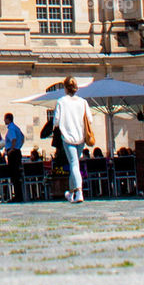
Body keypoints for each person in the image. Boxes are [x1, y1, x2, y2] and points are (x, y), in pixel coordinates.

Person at [52, 76, 94, 204]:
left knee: (74, 164)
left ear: (65, 88)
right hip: (81, 136)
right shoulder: (83, 102)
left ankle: (79, 191)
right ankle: (71, 193)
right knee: (74, 164)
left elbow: (56, 121)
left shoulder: (61, 101)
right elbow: (90, 119)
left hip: (68, 137)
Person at [3, 112, 25, 203]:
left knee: (14, 175)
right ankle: (19, 195)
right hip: (17, 152)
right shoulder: (16, 127)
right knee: (17, 175)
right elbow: (22, 137)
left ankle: (17, 196)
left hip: (13, 153)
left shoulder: (11, 128)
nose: (4, 120)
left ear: (8, 119)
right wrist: (19, 147)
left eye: (5, 119)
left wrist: (12, 149)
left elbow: (14, 139)